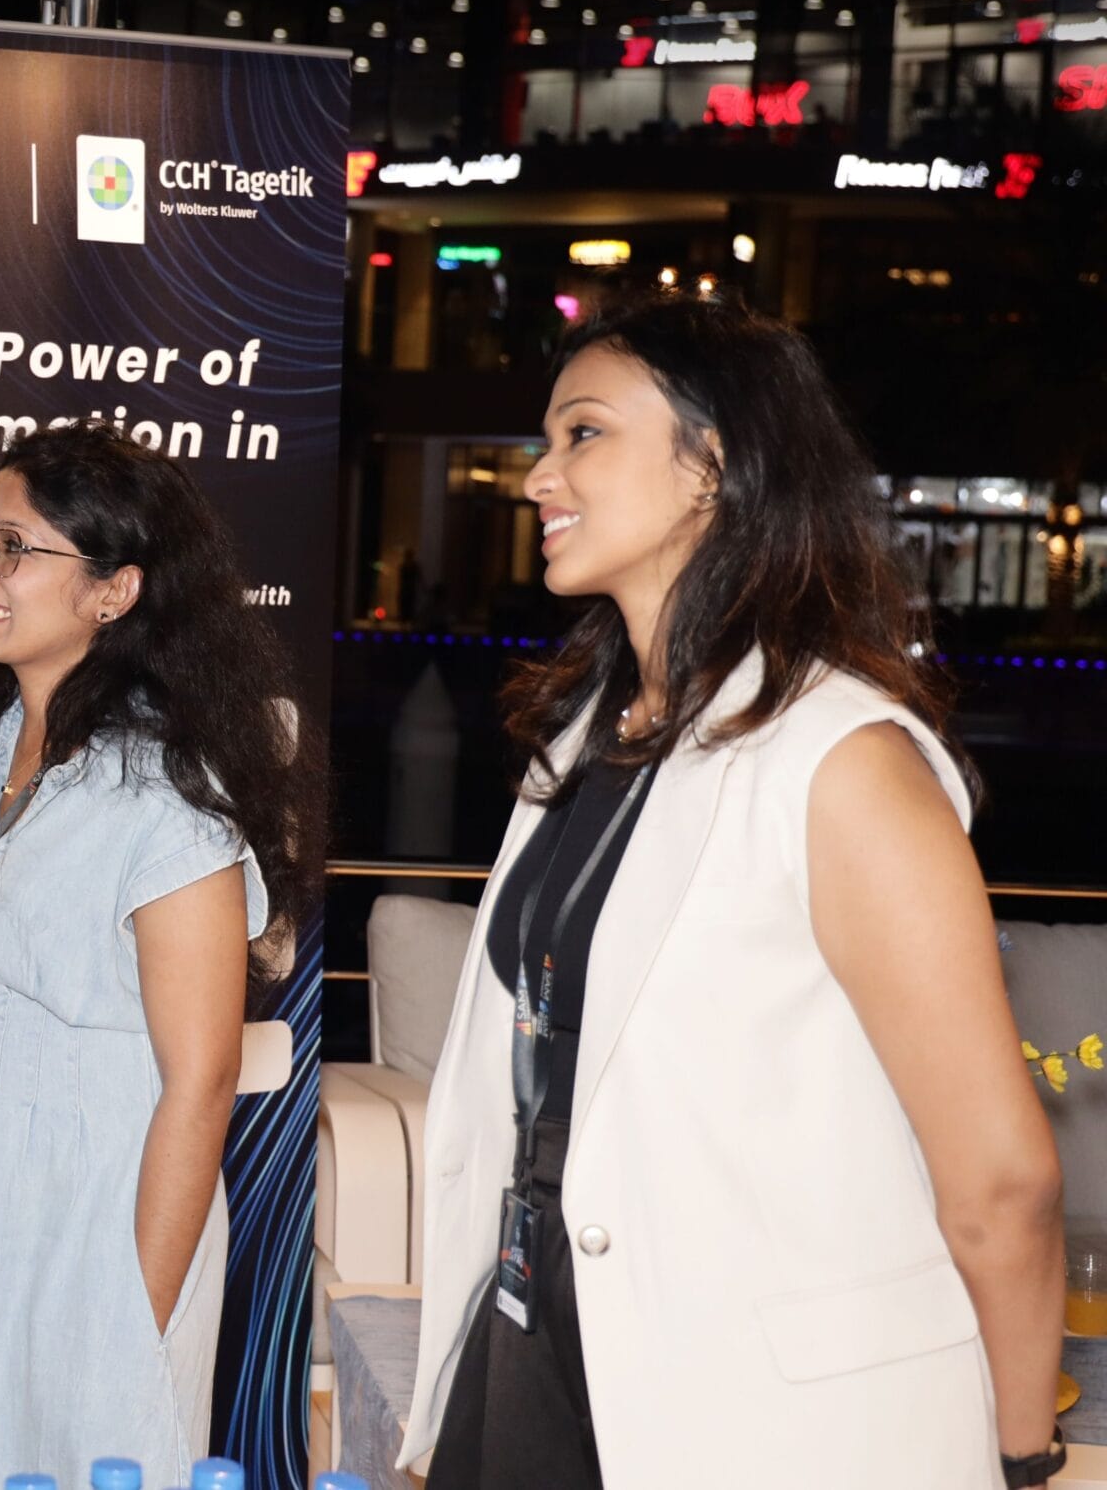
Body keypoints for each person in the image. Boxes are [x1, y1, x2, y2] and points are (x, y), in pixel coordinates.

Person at [399, 299, 1066, 1490]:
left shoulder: (843, 764)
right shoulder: (586, 742)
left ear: (711, 468)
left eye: (583, 434)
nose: (538, 474)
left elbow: (999, 1179)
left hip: (755, 1409)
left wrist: (1018, 1455)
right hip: (536, 1346)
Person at [0, 422, 321, 1490]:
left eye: (13, 547)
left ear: (114, 591)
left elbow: (199, 1082)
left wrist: (133, 1320)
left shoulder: (165, 795)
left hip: (94, 1221)